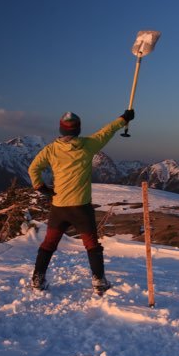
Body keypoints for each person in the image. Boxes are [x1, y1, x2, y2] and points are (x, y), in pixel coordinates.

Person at [28, 109, 135, 294]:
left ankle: (38, 279)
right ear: (78, 130)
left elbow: (33, 169)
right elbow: (106, 131)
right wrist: (123, 119)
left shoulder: (50, 150)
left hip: (59, 207)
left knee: (48, 244)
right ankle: (99, 281)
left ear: (61, 130)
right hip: (81, 208)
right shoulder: (88, 145)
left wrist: (42, 189)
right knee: (92, 245)